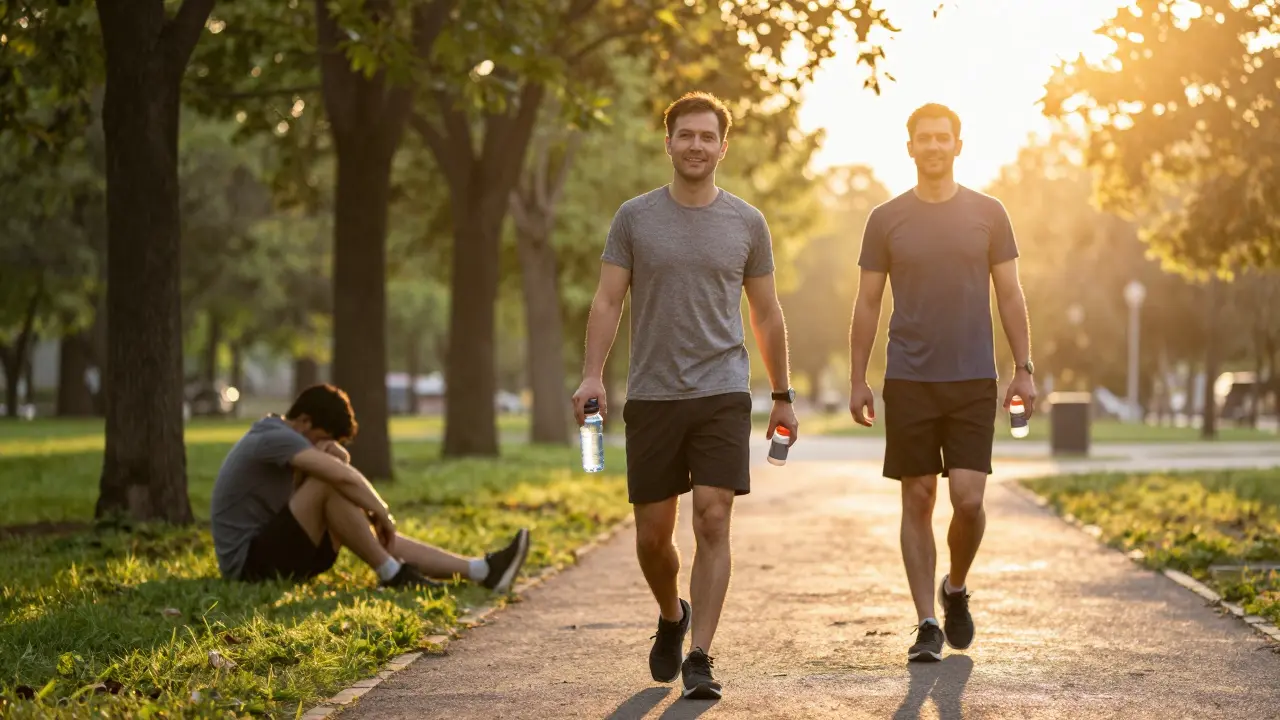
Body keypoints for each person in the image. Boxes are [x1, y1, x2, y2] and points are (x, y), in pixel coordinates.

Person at [571, 91, 798, 700]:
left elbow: (767, 312)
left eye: (707, 136)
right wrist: (593, 375)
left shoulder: (747, 222)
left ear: (724, 146)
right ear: (667, 142)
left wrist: (782, 393)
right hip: (652, 393)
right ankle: (673, 616)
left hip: (723, 389)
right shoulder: (635, 217)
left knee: (714, 516)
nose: (696, 145)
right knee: (651, 536)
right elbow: (607, 301)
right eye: (685, 135)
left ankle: (701, 656)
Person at [846, 103, 1036, 663]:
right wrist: (858, 378)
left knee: (970, 501)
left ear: (958, 145)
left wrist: (1023, 367)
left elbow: (1011, 294)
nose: (933, 146)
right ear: (909, 148)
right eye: (923, 138)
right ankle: (926, 621)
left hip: (975, 375)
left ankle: (954, 587)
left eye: (942, 138)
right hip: (909, 377)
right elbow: (867, 302)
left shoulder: (989, 213)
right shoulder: (885, 218)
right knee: (920, 496)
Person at [211, 384, 531, 593]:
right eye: (322, 438)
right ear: (304, 421)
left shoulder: (289, 442)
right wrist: (381, 512)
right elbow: (341, 477)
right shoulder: (273, 436)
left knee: (352, 509)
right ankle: (392, 574)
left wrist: (339, 457)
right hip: (250, 566)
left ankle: (482, 571)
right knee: (329, 481)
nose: (323, 447)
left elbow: (338, 474)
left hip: (282, 553)